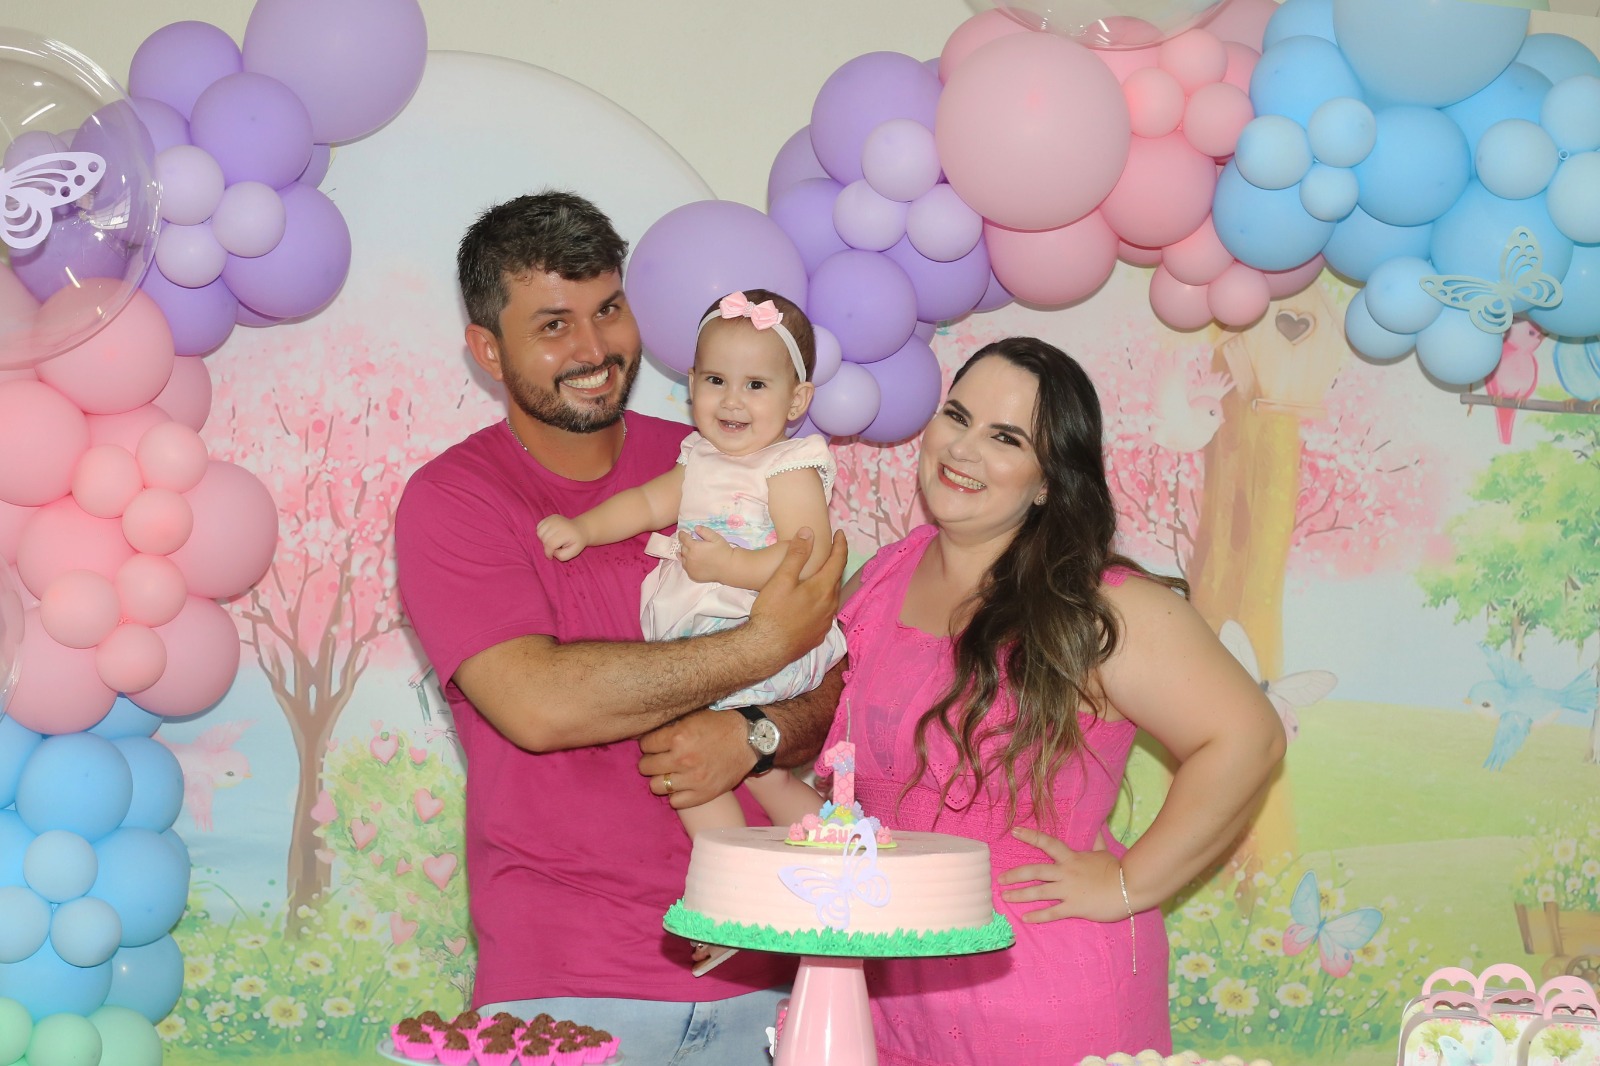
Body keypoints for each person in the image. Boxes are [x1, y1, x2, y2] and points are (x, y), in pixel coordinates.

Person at [394, 191, 848, 1065]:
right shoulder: (455, 500)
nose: (594, 348)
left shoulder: (721, 454)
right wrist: (759, 645)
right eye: (553, 325)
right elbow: (540, 704)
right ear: (487, 350)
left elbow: (830, 675)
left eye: (607, 309)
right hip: (566, 982)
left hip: (766, 972)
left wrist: (753, 734)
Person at [815, 337, 1287, 1065]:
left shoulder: (1098, 607)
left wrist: (1129, 883)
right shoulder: (884, 573)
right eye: (957, 417)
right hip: (885, 986)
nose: (963, 449)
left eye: (1005, 438)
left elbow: (1248, 738)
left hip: (1041, 994)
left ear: (1047, 482)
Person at [536, 288, 843, 840]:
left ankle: (819, 858)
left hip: (759, 627)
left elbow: (809, 552)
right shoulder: (697, 456)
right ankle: (738, 863)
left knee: (688, 753)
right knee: (719, 766)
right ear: (693, 384)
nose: (732, 401)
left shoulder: (788, 464)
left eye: (756, 385)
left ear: (796, 400)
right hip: (702, 635)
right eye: (716, 380)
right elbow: (647, 503)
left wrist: (730, 564)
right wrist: (584, 529)